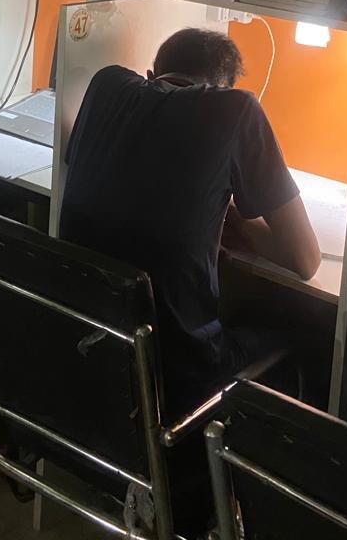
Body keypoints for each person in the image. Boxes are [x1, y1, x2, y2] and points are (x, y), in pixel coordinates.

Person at [59, 27, 321, 414]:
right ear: (222, 89)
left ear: (152, 75)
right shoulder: (235, 109)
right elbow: (305, 260)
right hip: (179, 365)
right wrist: (234, 216)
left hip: (87, 342)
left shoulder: (105, 84)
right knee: (306, 330)